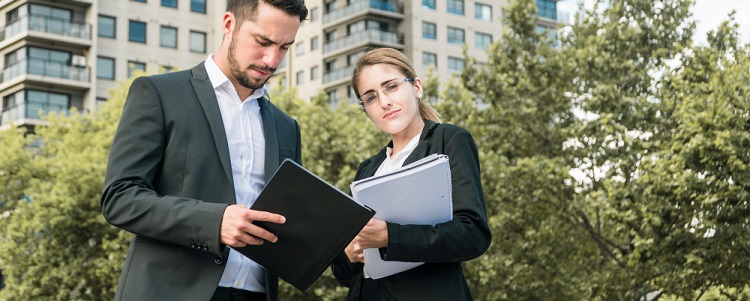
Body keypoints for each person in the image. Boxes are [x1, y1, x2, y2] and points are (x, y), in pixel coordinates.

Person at [100, 1, 307, 300]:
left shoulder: (288, 127)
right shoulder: (158, 93)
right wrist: (214, 222)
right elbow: (119, 197)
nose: (272, 60)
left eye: (285, 47)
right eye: (263, 42)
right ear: (228, 24)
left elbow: (289, 221)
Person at [331, 47, 492, 300]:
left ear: (416, 87)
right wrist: (349, 253)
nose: (384, 102)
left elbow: (472, 234)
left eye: (391, 86)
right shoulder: (367, 169)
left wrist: (389, 236)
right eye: (370, 97)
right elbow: (343, 274)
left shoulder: (449, 140)